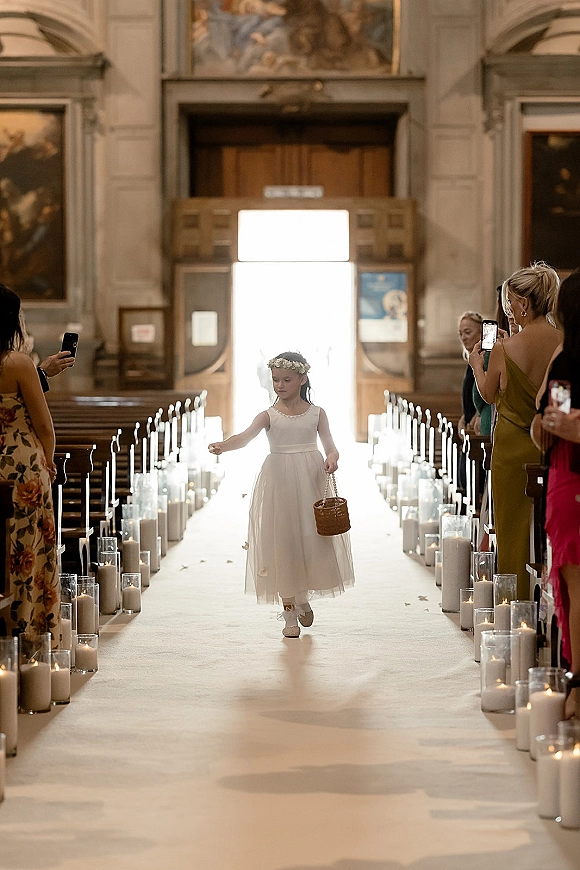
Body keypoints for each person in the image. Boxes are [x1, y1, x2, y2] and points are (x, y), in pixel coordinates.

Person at [208, 350, 354, 638]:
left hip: (310, 476)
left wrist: (333, 458)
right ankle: (288, 611)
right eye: (276, 380)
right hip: (279, 481)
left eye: (286, 380)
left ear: (302, 379)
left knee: (308, 538)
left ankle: (302, 597)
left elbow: (330, 445)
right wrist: (224, 445)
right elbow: (245, 437)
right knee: (283, 539)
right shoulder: (268, 415)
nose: (280, 385)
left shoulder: (317, 413)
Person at [469, 262, 562, 598]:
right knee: (549, 529)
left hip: (511, 448)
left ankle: (513, 607)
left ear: (524, 303)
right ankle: (549, 607)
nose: (508, 309)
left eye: (510, 302)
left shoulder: (506, 347)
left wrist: (476, 364)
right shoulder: (563, 343)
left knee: (511, 531)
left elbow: (490, 394)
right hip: (551, 443)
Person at [530, 270, 580, 716]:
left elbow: (557, 425)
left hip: (572, 477)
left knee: (575, 586)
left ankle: (578, 686)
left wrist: (559, 425)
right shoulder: (564, 361)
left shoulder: (567, 359)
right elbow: (551, 424)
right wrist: (550, 423)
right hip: (568, 473)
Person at [0, 283, 59, 642]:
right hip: (23, 467)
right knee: (27, 547)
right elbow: (43, 424)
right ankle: (30, 629)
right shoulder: (18, 363)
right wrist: (48, 459)